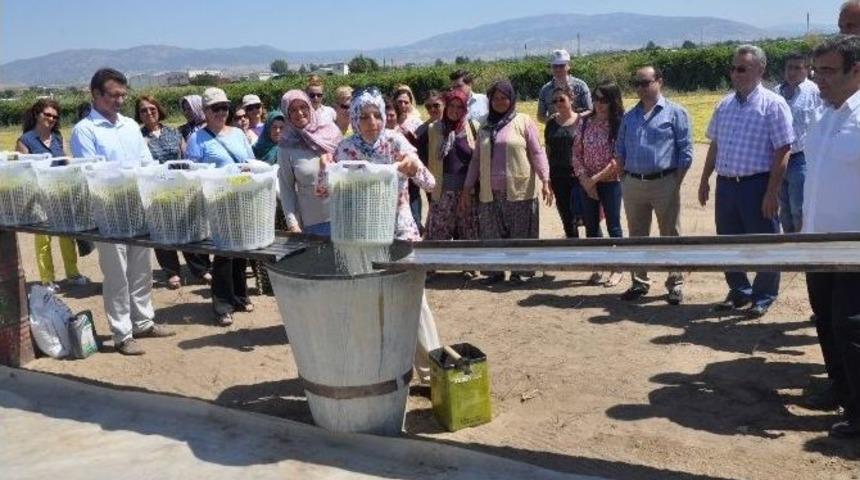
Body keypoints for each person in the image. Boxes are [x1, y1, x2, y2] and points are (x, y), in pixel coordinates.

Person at [332, 87, 439, 382]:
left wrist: (413, 167)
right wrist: (326, 171)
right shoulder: (345, 150)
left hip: (400, 233)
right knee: (373, 305)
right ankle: (384, 372)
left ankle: (432, 373)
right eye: (364, 116)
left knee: (414, 302)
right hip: (363, 239)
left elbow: (429, 182)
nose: (372, 122)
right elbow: (325, 190)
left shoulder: (395, 141)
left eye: (377, 115)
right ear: (355, 119)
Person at [70, 68, 175, 355]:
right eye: (114, 95)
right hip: (109, 211)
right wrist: (130, 175)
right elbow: (91, 171)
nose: (120, 101)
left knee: (141, 270)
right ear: (96, 94)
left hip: (138, 207)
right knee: (117, 275)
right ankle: (122, 334)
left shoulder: (129, 125)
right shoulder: (85, 130)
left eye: (123, 96)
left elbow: (146, 160)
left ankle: (143, 322)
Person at [698, 45, 794, 318]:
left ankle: (763, 295)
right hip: (726, 185)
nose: (735, 74)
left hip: (757, 185)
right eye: (733, 68)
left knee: (764, 243)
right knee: (727, 241)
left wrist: (772, 193)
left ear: (760, 70)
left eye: (742, 68)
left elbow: (783, 150)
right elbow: (715, 145)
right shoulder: (724, 105)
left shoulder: (773, 104)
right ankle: (739, 290)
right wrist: (704, 179)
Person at [803, 34, 860, 439]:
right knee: (826, 321)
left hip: (853, 248)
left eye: (827, 71)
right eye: (816, 70)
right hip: (815, 243)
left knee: (852, 329)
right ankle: (841, 392)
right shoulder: (825, 116)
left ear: (857, 71)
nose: (818, 79)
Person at [461, 79, 553, 284]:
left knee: (521, 232)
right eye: (495, 98)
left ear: (511, 99)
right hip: (489, 191)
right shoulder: (484, 125)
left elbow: (537, 153)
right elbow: (476, 160)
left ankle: (521, 272)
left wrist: (545, 180)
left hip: (519, 190)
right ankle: (495, 271)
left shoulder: (523, 121)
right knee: (492, 232)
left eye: (504, 98)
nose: (500, 102)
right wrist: (467, 187)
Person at [616, 66, 694, 304]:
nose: (640, 88)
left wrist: (675, 182)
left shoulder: (675, 112)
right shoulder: (629, 116)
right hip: (633, 183)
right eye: (636, 84)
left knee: (670, 235)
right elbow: (620, 150)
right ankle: (639, 282)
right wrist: (624, 178)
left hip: (664, 181)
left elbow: (686, 151)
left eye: (645, 82)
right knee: (637, 236)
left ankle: (675, 283)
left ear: (659, 81)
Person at [187, 87, 255, 326]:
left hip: (241, 198)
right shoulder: (197, 139)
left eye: (225, 107)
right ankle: (222, 305)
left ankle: (240, 296)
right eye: (215, 108)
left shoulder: (237, 134)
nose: (221, 112)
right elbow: (193, 172)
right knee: (224, 254)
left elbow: (250, 161)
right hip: (217, 202)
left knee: (241, 251)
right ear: (205, 111)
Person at [136, 95, 213, 289]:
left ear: (158, 110)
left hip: (180, 187)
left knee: (188, 226)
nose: (148, 113)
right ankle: (172, 272)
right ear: (139, 114)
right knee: (162, 229)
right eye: (143, 110)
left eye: (152, 109)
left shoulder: (174, 132)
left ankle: (200, 269)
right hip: (155, 190)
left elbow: (186, 156)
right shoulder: (137, 137)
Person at [15, 98, 90, 292]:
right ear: (36, 115)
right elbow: (22, 171)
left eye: (55, 117)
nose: (51, 119)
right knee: (43, 240)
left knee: (67, 236)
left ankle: (72, 273)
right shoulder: (25, 141)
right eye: (47, 114)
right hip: (39, 197)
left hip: (61, 194)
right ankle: (47, 279)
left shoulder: (57, 138)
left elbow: (65, 161)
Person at [573, 82, 624, 287]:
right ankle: (597, 266)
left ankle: (618, 268)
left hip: (610, 182)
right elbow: (576, 153)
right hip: (586, 182)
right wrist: (584, 179)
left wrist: (594, 180)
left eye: (604, 100)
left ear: (613, 101)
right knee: (591, 226)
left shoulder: (618, 124)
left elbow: (617, 158)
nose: (599, 104)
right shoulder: (585, 121)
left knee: (613, 225)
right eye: (596, 99)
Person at [277, 89, 343, 236]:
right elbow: (286, 188)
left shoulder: (331, 132)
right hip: (314, 224)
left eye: (303, 107)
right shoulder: (286, 146)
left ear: (310, 107)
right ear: (287, 114)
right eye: (293, 110)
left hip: (344, 216)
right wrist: (293, 224)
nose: (299, 113)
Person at [422, 89, 480, 242]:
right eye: (451, 106)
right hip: (442, 194)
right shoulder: (434, 129)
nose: (455, 110)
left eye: (459, 107)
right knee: (437, 240)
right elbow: (428, 160)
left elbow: (478, 159)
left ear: (465, 109)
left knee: (469, 239)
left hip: (467, 194)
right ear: (446, 106)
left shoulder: (473, 127)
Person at [773, 53, 821, 234]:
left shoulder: (815, 92)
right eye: (789, 68)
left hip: (801, 159)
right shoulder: (776, 92)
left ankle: (801, 245)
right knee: (784, 209)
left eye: (797, 68)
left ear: (808, 70)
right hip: (778, 158)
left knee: (799, 208)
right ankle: (789, 243)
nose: (792, 72)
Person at [543, 87, 583, 239]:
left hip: (579, 177)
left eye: (561, 99)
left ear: (571, 99)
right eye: (555, 101)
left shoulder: (582, 121)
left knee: (588, 217)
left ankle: (595, 251)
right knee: (567, 219)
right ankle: (572, 250)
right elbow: (547, 151)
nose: (558, 103)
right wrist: (547, 178)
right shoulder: (551, 123)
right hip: (558, 176)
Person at [407, 90, 445, 235]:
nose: (432, 109)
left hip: (451, 178)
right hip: (432, 179)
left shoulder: (454, 125)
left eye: (436, 105)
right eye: (428, 107)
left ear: (444, 104)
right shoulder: (422, 129)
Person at [537, 49, 593, 123]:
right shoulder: (545, 90)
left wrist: (574, 118)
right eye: (555, 66)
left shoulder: (581, 86)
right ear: (551, 67)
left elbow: (590, 110)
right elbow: (540, 116)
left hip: (578, 128)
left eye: (562, 66)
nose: (558, 69)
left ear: (568, 66)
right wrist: (552, 121)